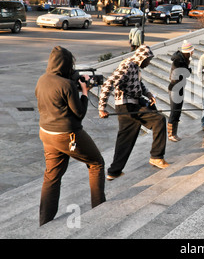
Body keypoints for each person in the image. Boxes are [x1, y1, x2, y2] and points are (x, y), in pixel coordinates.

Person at [35, 46, 106, 226]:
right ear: (66, 64)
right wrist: (84, 90)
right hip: (67, 134)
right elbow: (79, 112)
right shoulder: (66, 85)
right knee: (96, 163)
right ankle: (100, 208)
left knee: (52, 176)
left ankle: (45, 221)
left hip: (46, 134)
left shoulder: (42, 80)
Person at [98, 45, 169, 180]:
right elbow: (108, 84)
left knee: (127, 138)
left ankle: (114, 171)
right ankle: (156, 157)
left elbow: (138, 84)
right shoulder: (127, 65)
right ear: (142, 58)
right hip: (127, 107)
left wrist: (148, 94)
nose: (149, 63)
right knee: (157, 121)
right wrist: (102, 107)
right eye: (148, 60)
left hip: (133, 104)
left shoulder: (135, 67)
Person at [167, 40, 194, 141]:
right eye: (191, 51)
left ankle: (174, 133)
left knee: (177, 111)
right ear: (188, 52)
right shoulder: (178, 61)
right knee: (174, 111)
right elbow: (180, 75)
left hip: (179, 87)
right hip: (175, 88)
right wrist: (188, 70)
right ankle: (171, 135)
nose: (193, 53)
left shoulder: (182, 60)